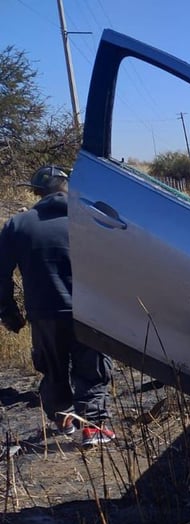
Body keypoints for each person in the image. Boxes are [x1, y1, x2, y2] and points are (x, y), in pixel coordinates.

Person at [0, 165, 115, 446]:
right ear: (69, 189)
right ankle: (94, 427)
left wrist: (9, 313)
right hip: (89, 312)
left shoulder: (18, 225)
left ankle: (64, 420)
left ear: (37, 193)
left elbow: (0, 274)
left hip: (44, 313)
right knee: (93, 369)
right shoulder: (91, 218)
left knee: (52, 368)